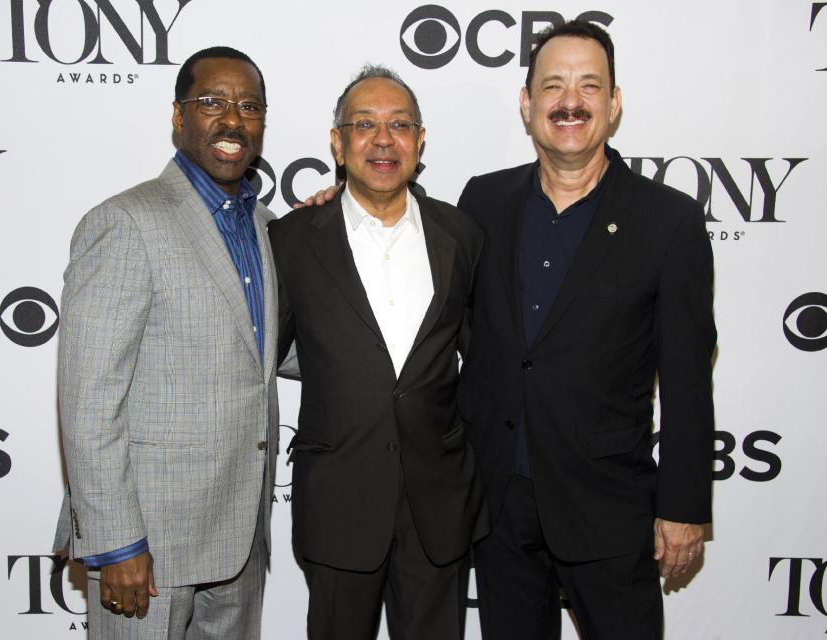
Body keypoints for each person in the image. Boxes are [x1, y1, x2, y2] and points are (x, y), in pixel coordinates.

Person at [456, 20, 716, 639]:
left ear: (614, 103)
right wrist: (343, 206)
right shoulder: (482, 203)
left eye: (588, 86)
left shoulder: (669, 221)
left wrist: (682, 509)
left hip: (609, 508)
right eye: (552, 86)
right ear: (527, 104)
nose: (569, 101)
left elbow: (686, 380)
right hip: (500, 506)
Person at [53, 46, 279, 640]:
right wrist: (117, 541)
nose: (233, 120)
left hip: (238, 537)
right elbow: (88, 401)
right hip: (148, 547)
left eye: (249, 106)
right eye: (212, 102)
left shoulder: (262, 222)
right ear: (178, 117)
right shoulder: (125, 222)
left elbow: (270, 349)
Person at [268, 65, 487, 640]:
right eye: (364, 125)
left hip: (438, 503)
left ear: (420, 141)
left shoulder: (462, 234)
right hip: (338, 500)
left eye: (399, 125)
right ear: (338, 144)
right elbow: (261, 356)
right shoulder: (291, 240)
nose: (383, 139)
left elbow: (484, 355)